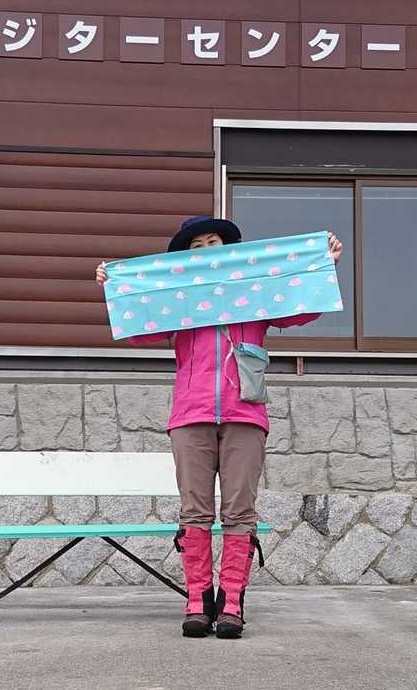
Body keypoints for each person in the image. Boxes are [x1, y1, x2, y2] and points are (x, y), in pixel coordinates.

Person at [97, 215, 343, 640]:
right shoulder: (177, 300)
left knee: (239, 512)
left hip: (244, 414)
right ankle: (197, 600)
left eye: (213, 242)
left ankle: (231, 603)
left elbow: (301, 309)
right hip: (190, 416)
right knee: (194, 511)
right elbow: (138, 332)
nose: (206, 250)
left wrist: (323, 264)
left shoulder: (254, 292)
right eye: (197, 247)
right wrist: (114, 287)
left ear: (228, 250)